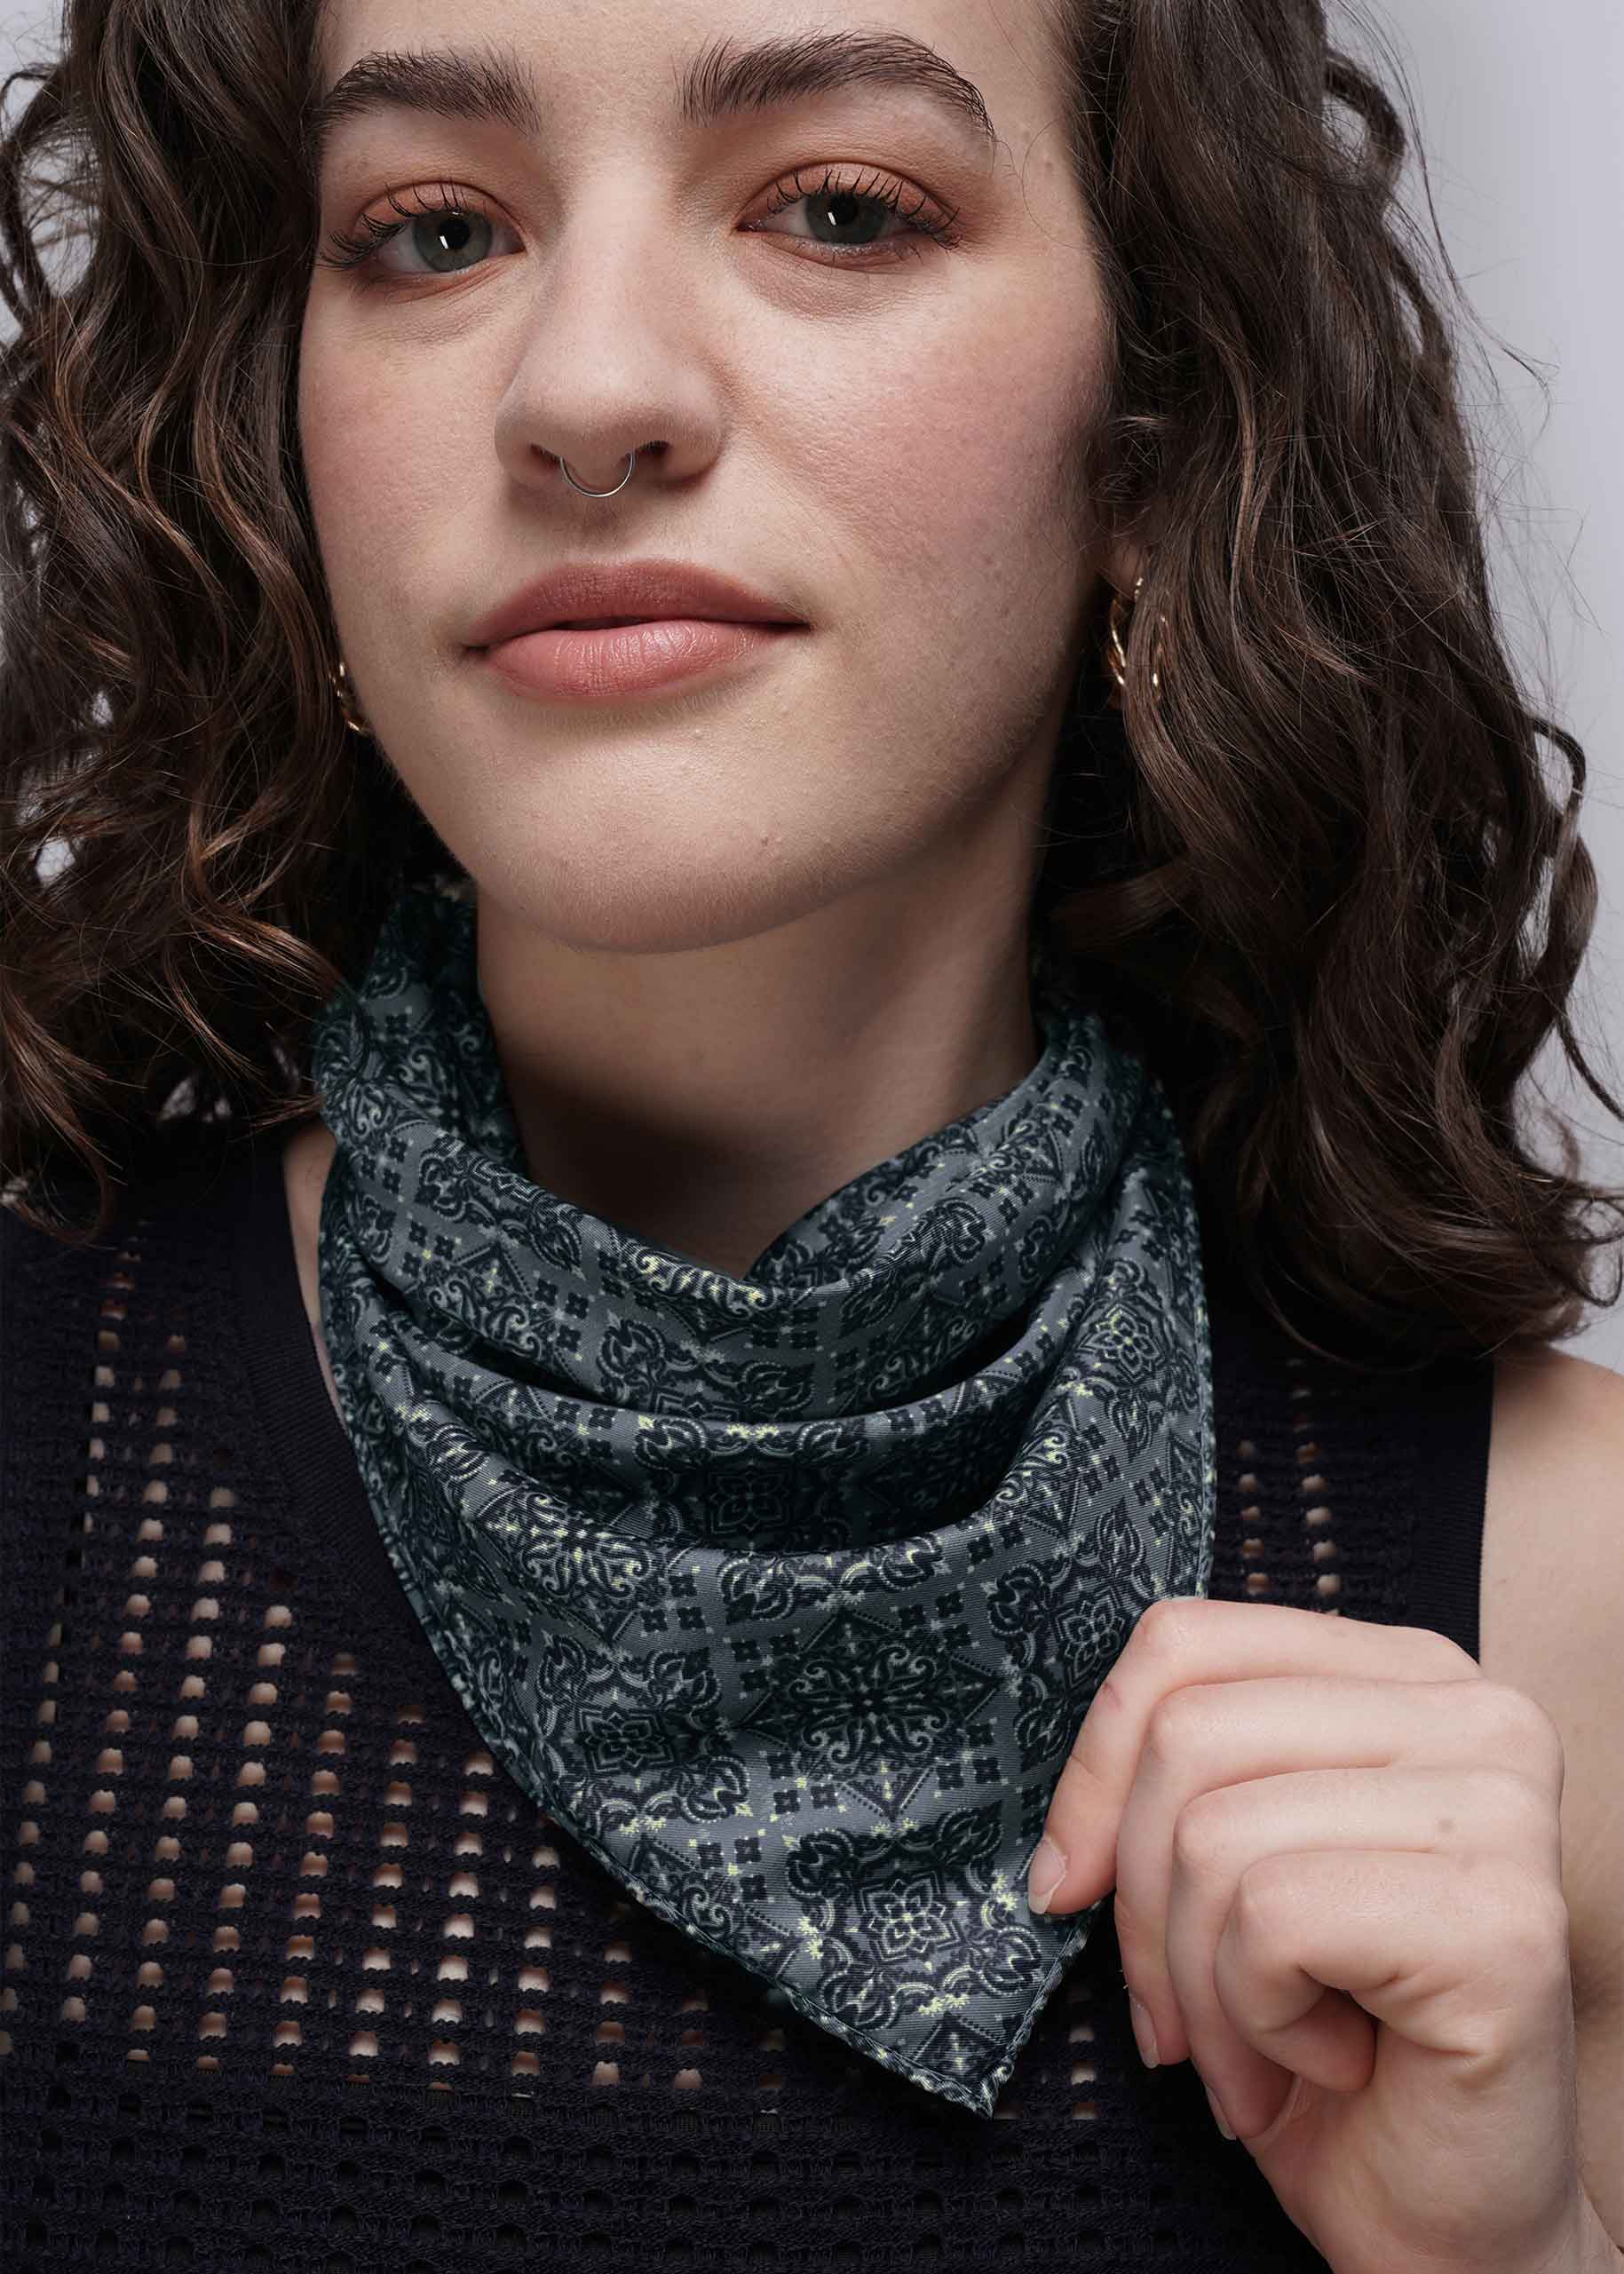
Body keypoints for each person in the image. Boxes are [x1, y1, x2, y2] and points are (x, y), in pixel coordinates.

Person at [1, 0, 1620, 2267]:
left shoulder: (1582, 1627)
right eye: (434, 229)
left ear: (1153, 443)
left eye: (839, 208)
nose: (583, 393)